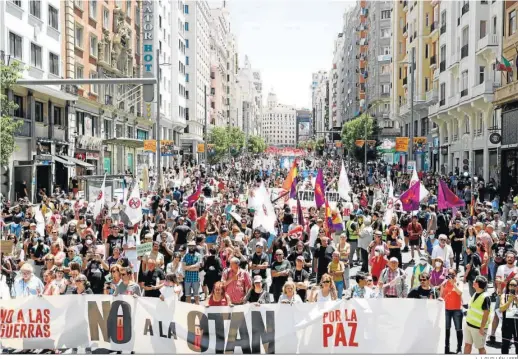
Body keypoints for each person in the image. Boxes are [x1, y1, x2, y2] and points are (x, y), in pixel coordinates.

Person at [464, 275, 491, 354]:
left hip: (478, 328)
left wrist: (482, 328)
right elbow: (473, 307)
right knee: (467, 345)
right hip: (469, 325)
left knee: (480, 348)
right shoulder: (476, 293)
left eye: (475, 281)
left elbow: (486, 314)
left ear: (479, 284)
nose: (473, 282)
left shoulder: (485, 297)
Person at [440, 268, 464, 354]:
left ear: (455, 275)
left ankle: (459, 348)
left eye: (452, 274)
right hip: (446, 309)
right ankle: (446, 347)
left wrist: (453, 283)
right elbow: (441, 296)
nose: (450, 276)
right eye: (449, 274)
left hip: (457, 309)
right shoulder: (444, 283)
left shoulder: (459, 282)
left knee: (458, 329)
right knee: (447, 329)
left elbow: (460, 292)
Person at [498, 278, 518, 354]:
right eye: (511, 285)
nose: (512, 287)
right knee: (505, 344)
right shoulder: (504, 296)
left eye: (515, 285)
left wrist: (516, 300)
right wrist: (509, 301)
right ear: (508, 286)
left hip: (517, 323)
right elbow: (501, 309)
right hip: (507, 323)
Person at [182, 240, 202, 304]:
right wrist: (194, 266)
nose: (191, 247)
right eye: (190, 246)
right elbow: (184, 267)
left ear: (195, 246)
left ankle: (198, 310)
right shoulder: (185, 256)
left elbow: (198, 267)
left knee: (196, 296)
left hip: (195, 278)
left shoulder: (198, 255)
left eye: (192, 246)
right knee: (188, 297)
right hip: (187, 279)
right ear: (188, 246)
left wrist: (188, 267)